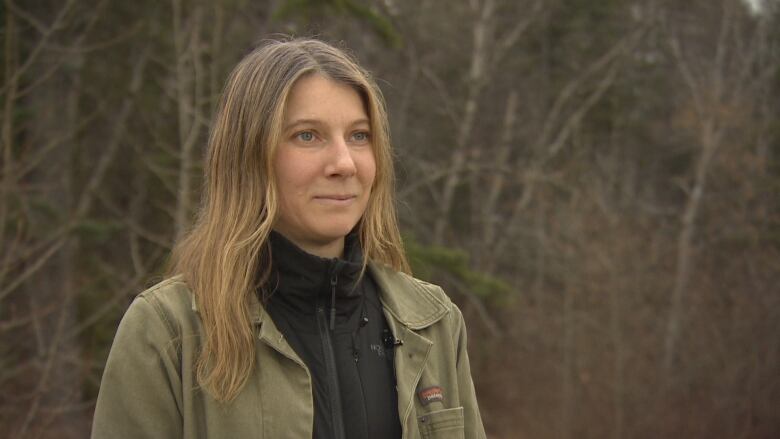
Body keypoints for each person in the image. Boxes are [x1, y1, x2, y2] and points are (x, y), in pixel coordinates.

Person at [91, 38, 486, 439]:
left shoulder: (434, 324)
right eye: (307, 136)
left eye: (359, 136)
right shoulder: (169, 331)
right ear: (249, 156)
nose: (344, 163)